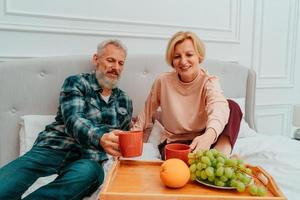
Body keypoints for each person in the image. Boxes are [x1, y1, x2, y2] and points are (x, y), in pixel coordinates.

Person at [0, 40, 132, 199]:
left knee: (90, 173)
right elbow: (73, 119)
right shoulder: (76, 82)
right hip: (54, 147)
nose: (116, 67)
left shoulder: (125, 100)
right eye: (110, 60)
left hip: (89, 160)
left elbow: (120, 138)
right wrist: (101, 137)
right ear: (96, 59)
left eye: (121, 63)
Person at [132, 31, 242, 159]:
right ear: (172, 61)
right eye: (177, 56)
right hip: (175, 143)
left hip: (205, 140)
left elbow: (218, 107)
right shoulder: (162, 81)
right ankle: (211, 159)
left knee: (231, 106)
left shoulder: (209, 81)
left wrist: (209, 136)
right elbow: (146, 113)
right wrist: (131, 136)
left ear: (199, 57)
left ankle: (221, 155)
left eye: (189, 54)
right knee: (179, 167)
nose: (183, 61)